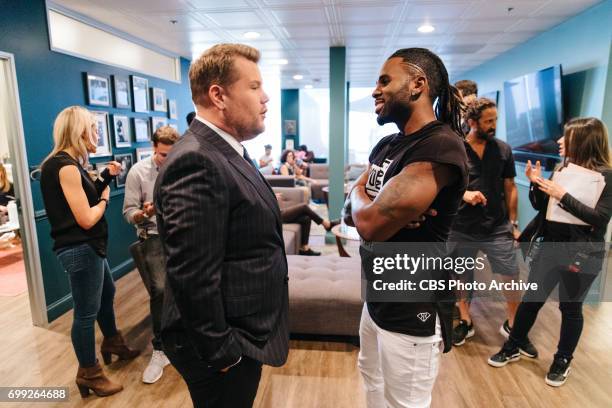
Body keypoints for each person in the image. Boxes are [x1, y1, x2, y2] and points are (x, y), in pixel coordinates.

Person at [154, 44, 289, 408]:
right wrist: (223, 352)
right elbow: (192, 275)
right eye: (254, 86)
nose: (266, 97)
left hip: (242, 329)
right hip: (223, 343)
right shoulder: (198, 159)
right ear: (219, 95)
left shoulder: (226, 151)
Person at [348, 47, 468, 407]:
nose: (375, 90)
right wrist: (361, 194)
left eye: (385, 80)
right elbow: (355, 205)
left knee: (406, 402)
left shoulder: (440, 146)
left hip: (411, 305)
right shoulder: (388, 145)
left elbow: (368, 223)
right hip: (377, 296)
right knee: (372, 381)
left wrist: (364, 198)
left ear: (417, 84)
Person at [488, 117, 612, 387]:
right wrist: (536, 183)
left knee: (570, 308)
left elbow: (599, 218)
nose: (558, 142)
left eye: (565, 137)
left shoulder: (607, 176)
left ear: (582, 141)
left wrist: (561, 194)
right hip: (551, 248)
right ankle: (514, 345)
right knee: (532, 300)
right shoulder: (562, 168)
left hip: (584, 253)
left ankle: (562, 360)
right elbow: (543, 208)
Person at [40, 106, 140, 398]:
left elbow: (84, 198)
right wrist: (106, 201)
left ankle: (113, 343)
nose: (97, 134)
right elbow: (85, 217)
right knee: (85, 314)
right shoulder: (66, 166)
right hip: (80, 249)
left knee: (106, 294)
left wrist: (105, 179)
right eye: (94, 128)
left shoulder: (65, 163)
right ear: (80, 131)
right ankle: (90, 373)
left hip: (89, 248)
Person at [449, 98, 529, 350]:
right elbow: (447, 186)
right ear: (472, 122)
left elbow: (511, 187)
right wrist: (465, 195)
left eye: (495, 120)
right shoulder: (457, 149)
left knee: (510, 273)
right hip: (462, 224)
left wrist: (514, 222)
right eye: (489, 121)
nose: (494, 125)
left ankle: (514, 325)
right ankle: (465, 320)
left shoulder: (503, 149)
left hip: (497, 225)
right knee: (461, 274)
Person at [122, 125, 179, 384]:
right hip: (153, 235)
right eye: (163, 155)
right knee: (160, 290)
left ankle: (187, 340)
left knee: (191, 286)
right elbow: (128, 212)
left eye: (171, 154)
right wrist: (144, 214)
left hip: (182, 234)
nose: (167, 160)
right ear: (154, 148)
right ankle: (160, 350)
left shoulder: (183, 168)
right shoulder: (138, 172)